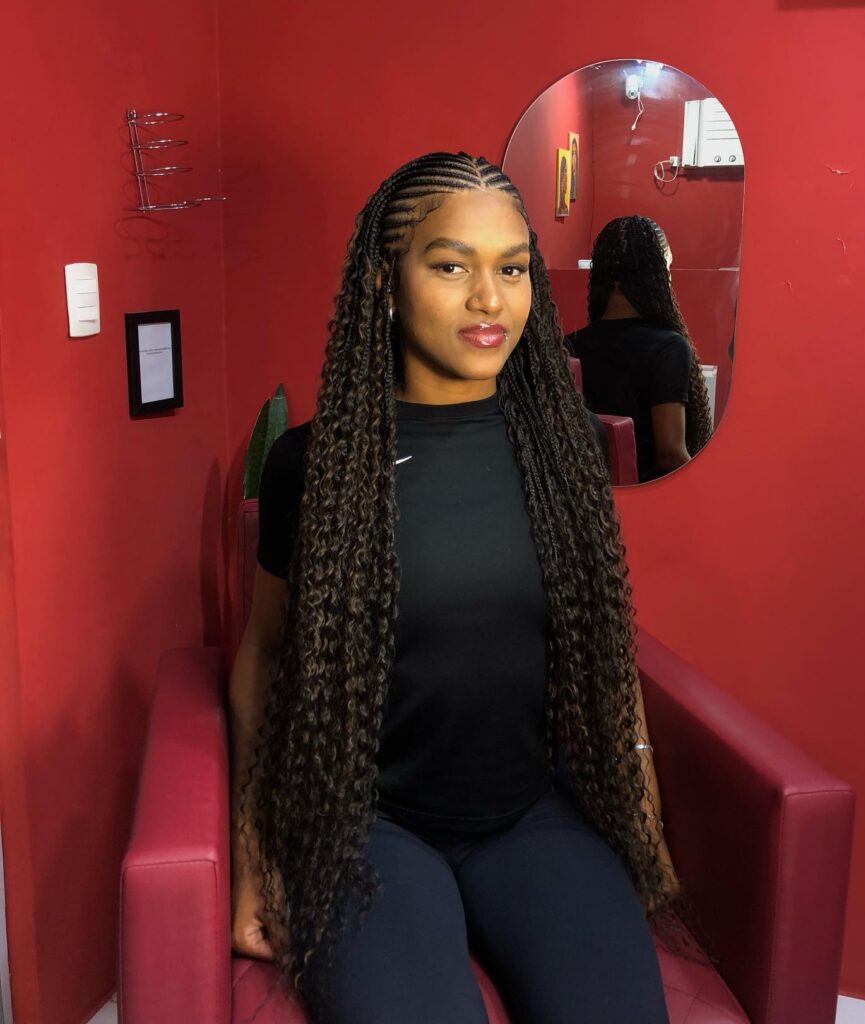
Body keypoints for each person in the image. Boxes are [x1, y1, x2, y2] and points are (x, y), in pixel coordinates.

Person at [229, 151, 704, 1024]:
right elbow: (262, 652)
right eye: (451, 265)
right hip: (368, 828)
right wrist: (255, 852)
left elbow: (605, 653)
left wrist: (641, 814)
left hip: (530, 817)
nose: (491, 299)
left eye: (512, 267)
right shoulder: (318, 462)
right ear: (384, 280)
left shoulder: (564, 453)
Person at [565, 215, 713, 483]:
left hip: (591, 500)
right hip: (650, 500)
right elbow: (670, 454)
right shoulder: (668, 348)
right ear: (655, 276)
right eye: (666, 269)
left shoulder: (570, 345)